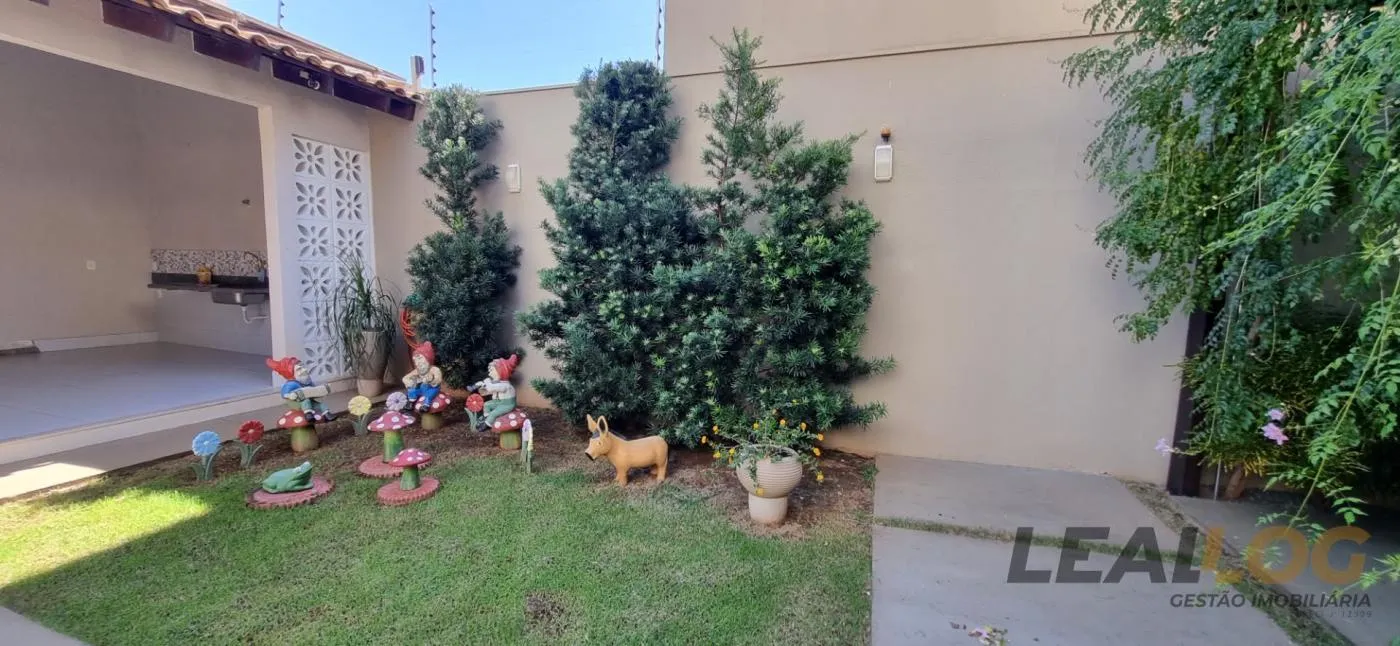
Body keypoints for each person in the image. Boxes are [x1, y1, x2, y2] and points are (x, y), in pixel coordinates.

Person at [266, 356, 333, 421]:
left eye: (303, 367)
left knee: (321, 405)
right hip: (296, 402)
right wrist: (290, 395)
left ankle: (327, 415)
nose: (304, 370)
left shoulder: (307, 381)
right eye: (299, 369)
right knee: (306, 401)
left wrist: (321, 391)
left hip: (309, 401)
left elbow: (313, 389)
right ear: (291, 374)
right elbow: (284, 393)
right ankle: (308, 415)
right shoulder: (291, 384)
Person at [472, 354, 519, 432]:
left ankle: (487, 425)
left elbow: (491, 388)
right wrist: (482, 387)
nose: (490, 374)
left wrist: (487, 381)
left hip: (507, 404)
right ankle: (487, 417)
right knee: (487, 405)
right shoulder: (497, 383)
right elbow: (488, 391)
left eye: (492, 371)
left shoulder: (505, 385)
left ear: (501, 371)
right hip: (499, 402)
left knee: (494, 413)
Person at [402, 342, 444, 413]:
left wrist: (431, 380)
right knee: (412, 390)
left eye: (420, 359)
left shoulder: (434, 369)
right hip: (421, 389)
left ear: (428, 358)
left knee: (430, 393)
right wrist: (408, 381)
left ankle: (426, 405)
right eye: (415, 360)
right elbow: (406, 377)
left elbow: (438, 379)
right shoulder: (417, 371)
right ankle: (411, 402)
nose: (417, 363)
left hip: (431, 389)